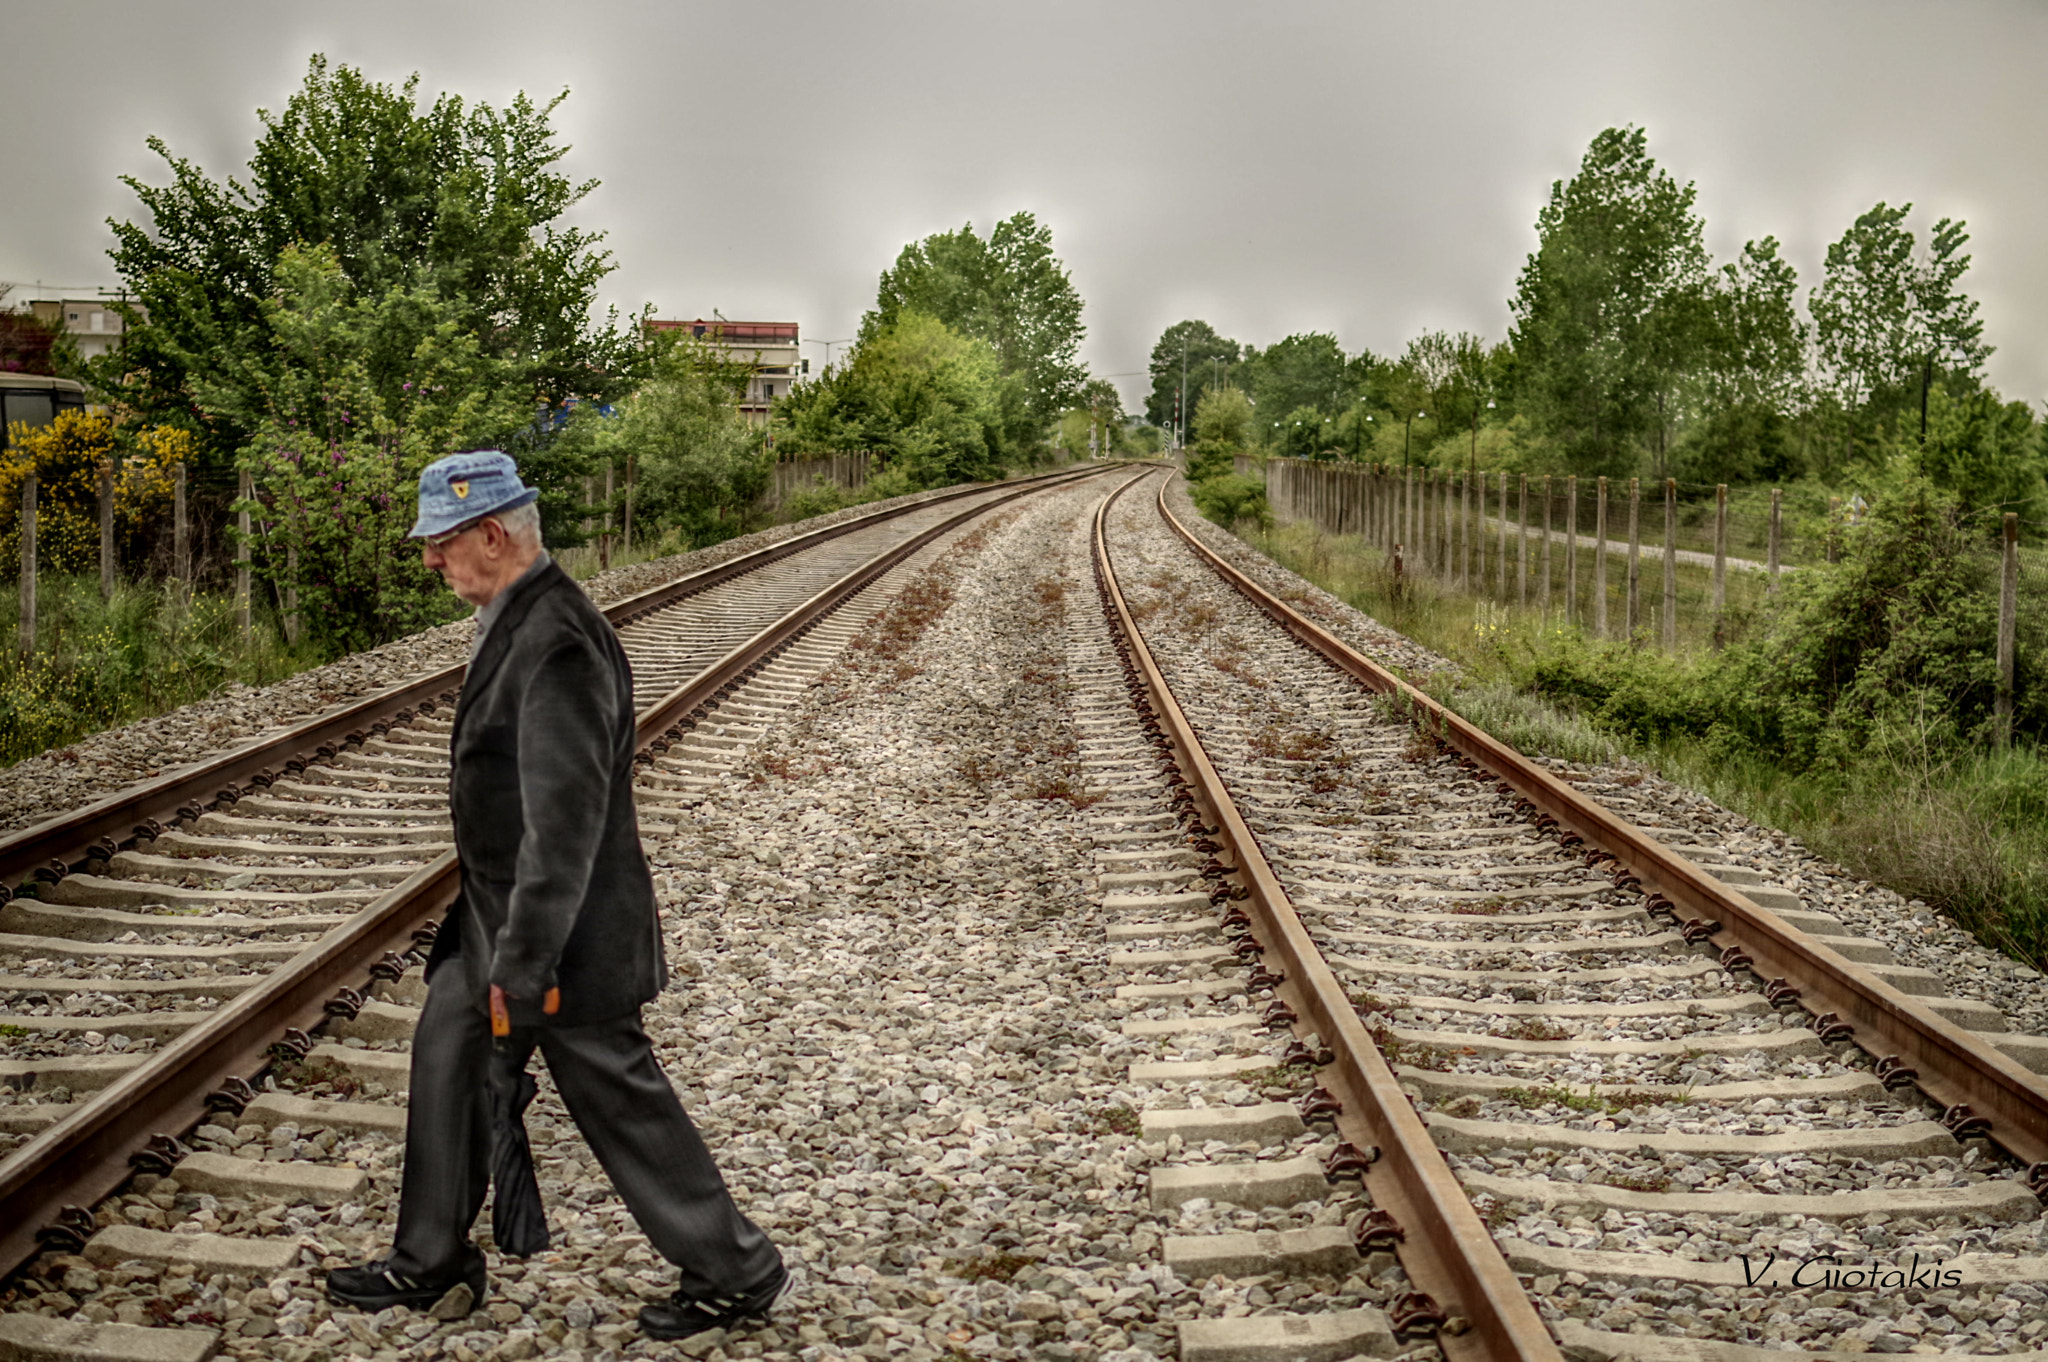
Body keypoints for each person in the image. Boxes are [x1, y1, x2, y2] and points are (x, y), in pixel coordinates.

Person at [327, 450, 789, 1340]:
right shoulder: (519, 617)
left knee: (616, 1090)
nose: (429, 560)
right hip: (499, 924)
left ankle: (736, 1268)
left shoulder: (558, 642)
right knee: (446, 1052)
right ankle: (430, 1261)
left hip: (560, 937)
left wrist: (525, 965)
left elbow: (565, 826)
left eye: (440, 542)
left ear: (492, 535)